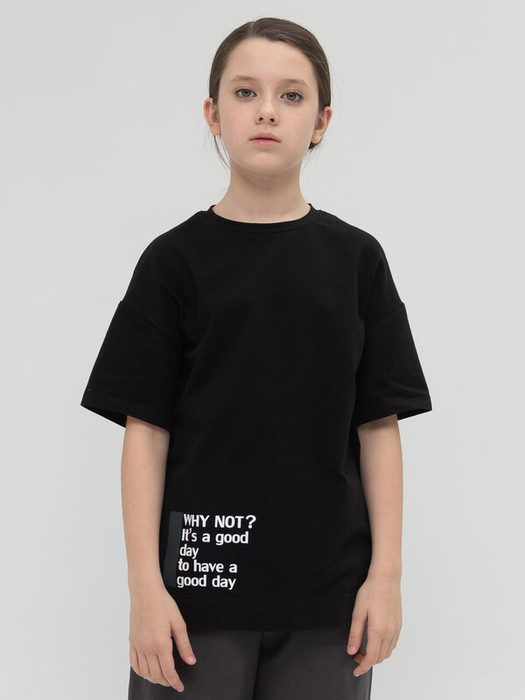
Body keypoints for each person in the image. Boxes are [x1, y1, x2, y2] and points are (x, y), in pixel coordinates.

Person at [80, 16, 432, 700]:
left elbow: (378, 426)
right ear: (213, 113)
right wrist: (145, 589)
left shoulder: (357, 261)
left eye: (291, 95)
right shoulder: (172, 263)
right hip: (197, 590)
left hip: (328, 601)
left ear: (321, 122)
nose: (267, 110)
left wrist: (385, 577)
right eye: (245, 92)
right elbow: (145, 432)